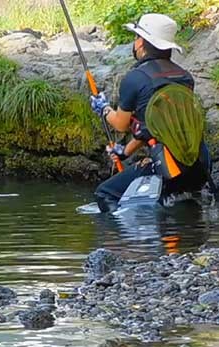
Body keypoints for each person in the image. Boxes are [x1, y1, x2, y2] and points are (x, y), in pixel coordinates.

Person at [90, 13, 212, 212]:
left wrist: (103, 109)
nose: (135, 42)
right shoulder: (184, 77)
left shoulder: (136, 78)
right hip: (198, 162)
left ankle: (124, 241)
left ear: (141, 43)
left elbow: (121, 124)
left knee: (105, 193)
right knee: (183, 201)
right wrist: (125, 152)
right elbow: (160, 126)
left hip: (167, 165)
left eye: (136, 37)